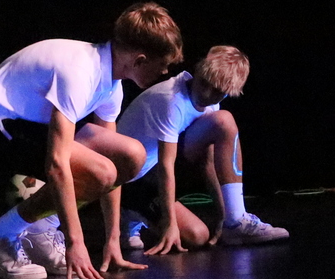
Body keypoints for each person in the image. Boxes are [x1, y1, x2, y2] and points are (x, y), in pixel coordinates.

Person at [0, 2, 183, 279]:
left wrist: (113, 240)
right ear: (140, 60)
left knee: (131, 154)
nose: (164, 73)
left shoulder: (111, 84)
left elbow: (116, 160)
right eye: (163, 65)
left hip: (31, 127)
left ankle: (41, 229)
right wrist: (75, 242)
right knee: (100, 172)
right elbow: (56, 164)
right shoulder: (80, 71)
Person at [116, 44, 288, 257]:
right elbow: (166, 166)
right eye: (204, 83)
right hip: (132, 180)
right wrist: (170, 224)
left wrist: (225, 218)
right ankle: (128, 211)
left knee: (223, 121)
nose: (206, 94)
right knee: (197, 236)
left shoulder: (212, 105)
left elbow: (207, 162)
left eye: (217, 92)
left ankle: (236, 220)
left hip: (155, 168)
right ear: (198, 70)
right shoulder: (171, 99)